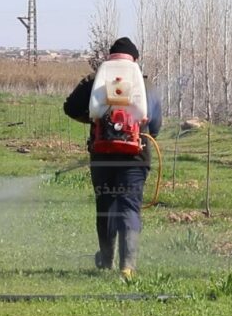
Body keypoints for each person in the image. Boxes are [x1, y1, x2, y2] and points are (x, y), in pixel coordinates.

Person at [63, 37, 162, 278]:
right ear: (135, 60)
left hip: (102, 155)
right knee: (129, 205)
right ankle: (127, 266)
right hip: (135, 158)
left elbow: (70, 108)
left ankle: (106, 261)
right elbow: (156, 125)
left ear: (110, 57)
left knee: (105, 206)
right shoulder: (145, 86)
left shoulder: (95, 81)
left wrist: (96, 121)